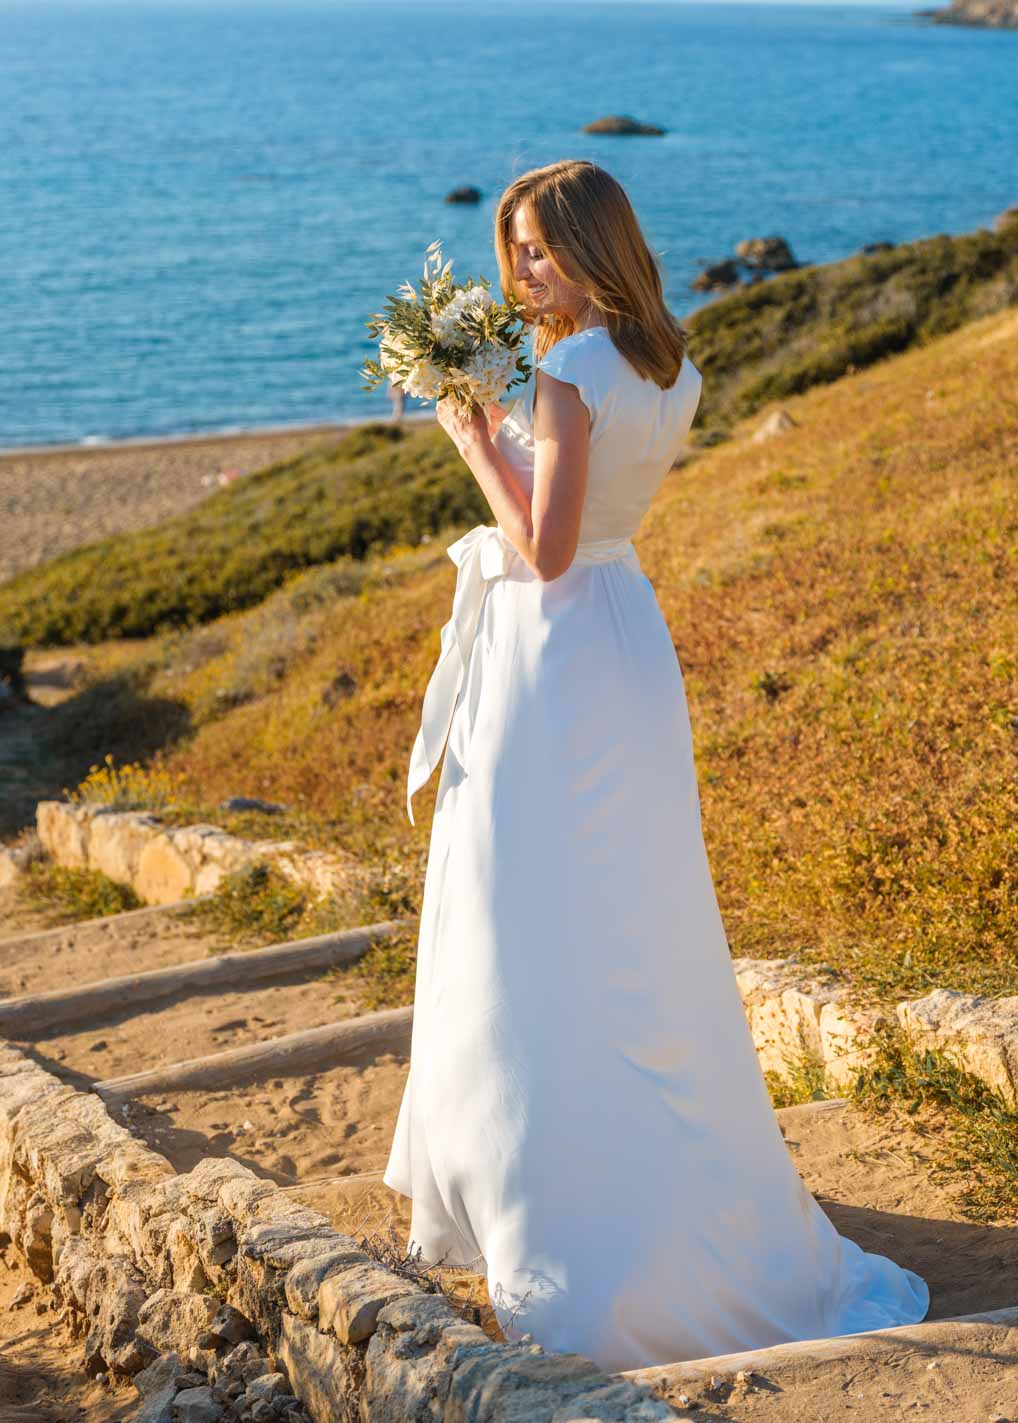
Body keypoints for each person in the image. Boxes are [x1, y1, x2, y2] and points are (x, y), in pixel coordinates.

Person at [382, 159, 930, 1372]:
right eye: (511, 250)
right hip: (625, 639)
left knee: (523, 906)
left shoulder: (570, 368)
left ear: (590, 244)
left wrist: (470, 429)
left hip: (555, 646)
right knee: (629, 912)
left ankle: (565, 1203)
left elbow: (545, 544)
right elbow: (597, 533)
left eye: (536, 249)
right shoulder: (667, 363)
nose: (518, 272)